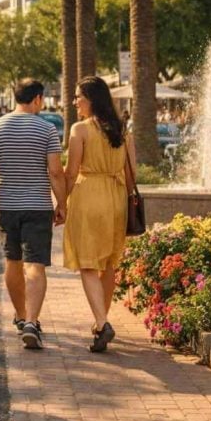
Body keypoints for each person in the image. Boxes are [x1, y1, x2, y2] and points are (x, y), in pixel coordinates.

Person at [0, 79, 66, 350]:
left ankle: (21, 316)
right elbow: (55, 171)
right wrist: (62, 203)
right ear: (37, 98)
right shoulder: (47, 129)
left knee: (12, 262)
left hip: (6, 206)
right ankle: (32, 322)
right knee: (35, 265)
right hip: (38, 206)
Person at [64, 76, 135, 353]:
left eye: (78, 97)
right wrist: (123, 199)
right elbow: (132, 175)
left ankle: (103, 322)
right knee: (108, 262)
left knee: (88, 263)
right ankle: (99, 322)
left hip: (88, 194)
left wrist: (62, 201)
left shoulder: (80, 129)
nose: (75, 102)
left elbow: (71, 171)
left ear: (91, 99)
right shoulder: (122, 130)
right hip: (115, 196)